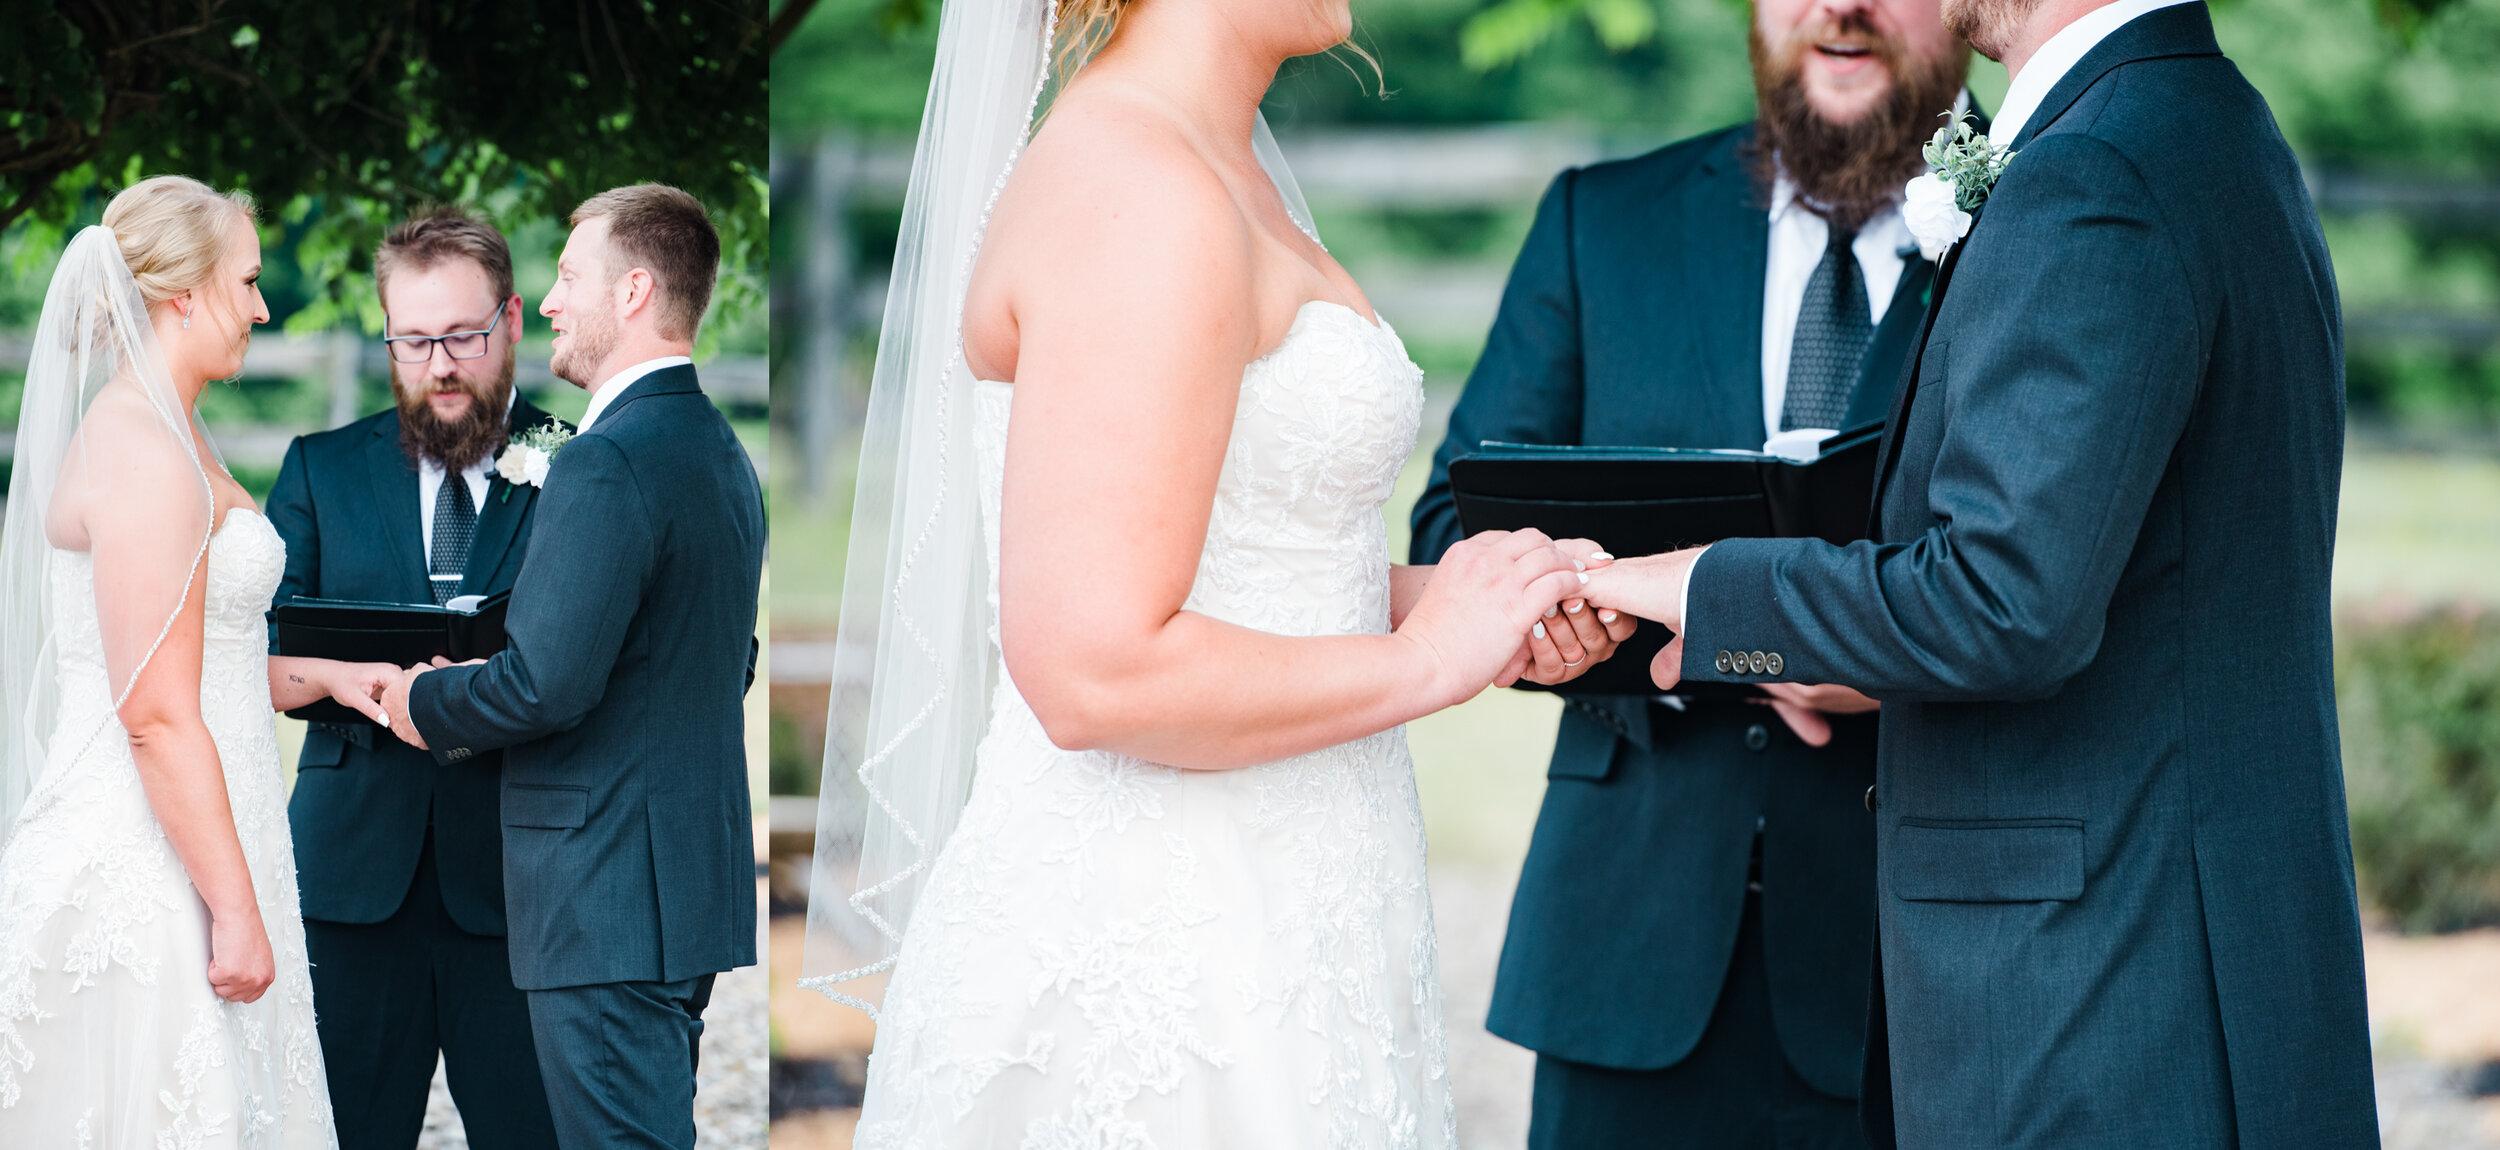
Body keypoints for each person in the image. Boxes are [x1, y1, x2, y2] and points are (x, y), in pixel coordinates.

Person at [799, 0, 1622, 1145]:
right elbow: (1095, 669)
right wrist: (1424, 660)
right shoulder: (1141, 187)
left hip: (1295, 920)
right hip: (1162, 961)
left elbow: (1244, 558)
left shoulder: (1214, 162)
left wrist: (1468, 601)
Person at [1573, 0, 2381, 1143]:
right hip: (2189, 961)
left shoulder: (2097, 171)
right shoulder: (2208, 124)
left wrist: (1709, 593)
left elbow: (2003, 604)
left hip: (2098, 998)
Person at [1409, 0, 1971, 1141]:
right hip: (1626, 953)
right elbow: (1447, 537)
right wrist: (1567, 613)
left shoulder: (2048, 223)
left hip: (1923, 970)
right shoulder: (1601, 223)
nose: (1840, 7)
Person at [0, 175, 405, 1147]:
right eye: (249, 280)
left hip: (210, 828)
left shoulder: (175, 430)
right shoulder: (142, 448)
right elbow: (154, 713)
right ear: (183, 293)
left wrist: (326, 677)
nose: (264, 307)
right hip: (151, 864)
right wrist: (234, 910)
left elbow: (201, 658)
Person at [378, 184, 764, 1150]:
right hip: (678, 884)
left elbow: (547, 682)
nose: (547, 302)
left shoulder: (608, 459)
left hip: (601, 896)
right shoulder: (719, 451)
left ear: (633, 291)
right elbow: (719, 657)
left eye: (566, 276)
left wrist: (422, 698)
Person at [266, 207, 564, 1150]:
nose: (440, 366)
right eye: (414, 341)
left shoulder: (583, 463)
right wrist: (352, 679)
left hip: (518, 885)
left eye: (464, 337)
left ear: (513, 322)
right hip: (352, 881)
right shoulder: (319, 469)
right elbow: (263, 666)